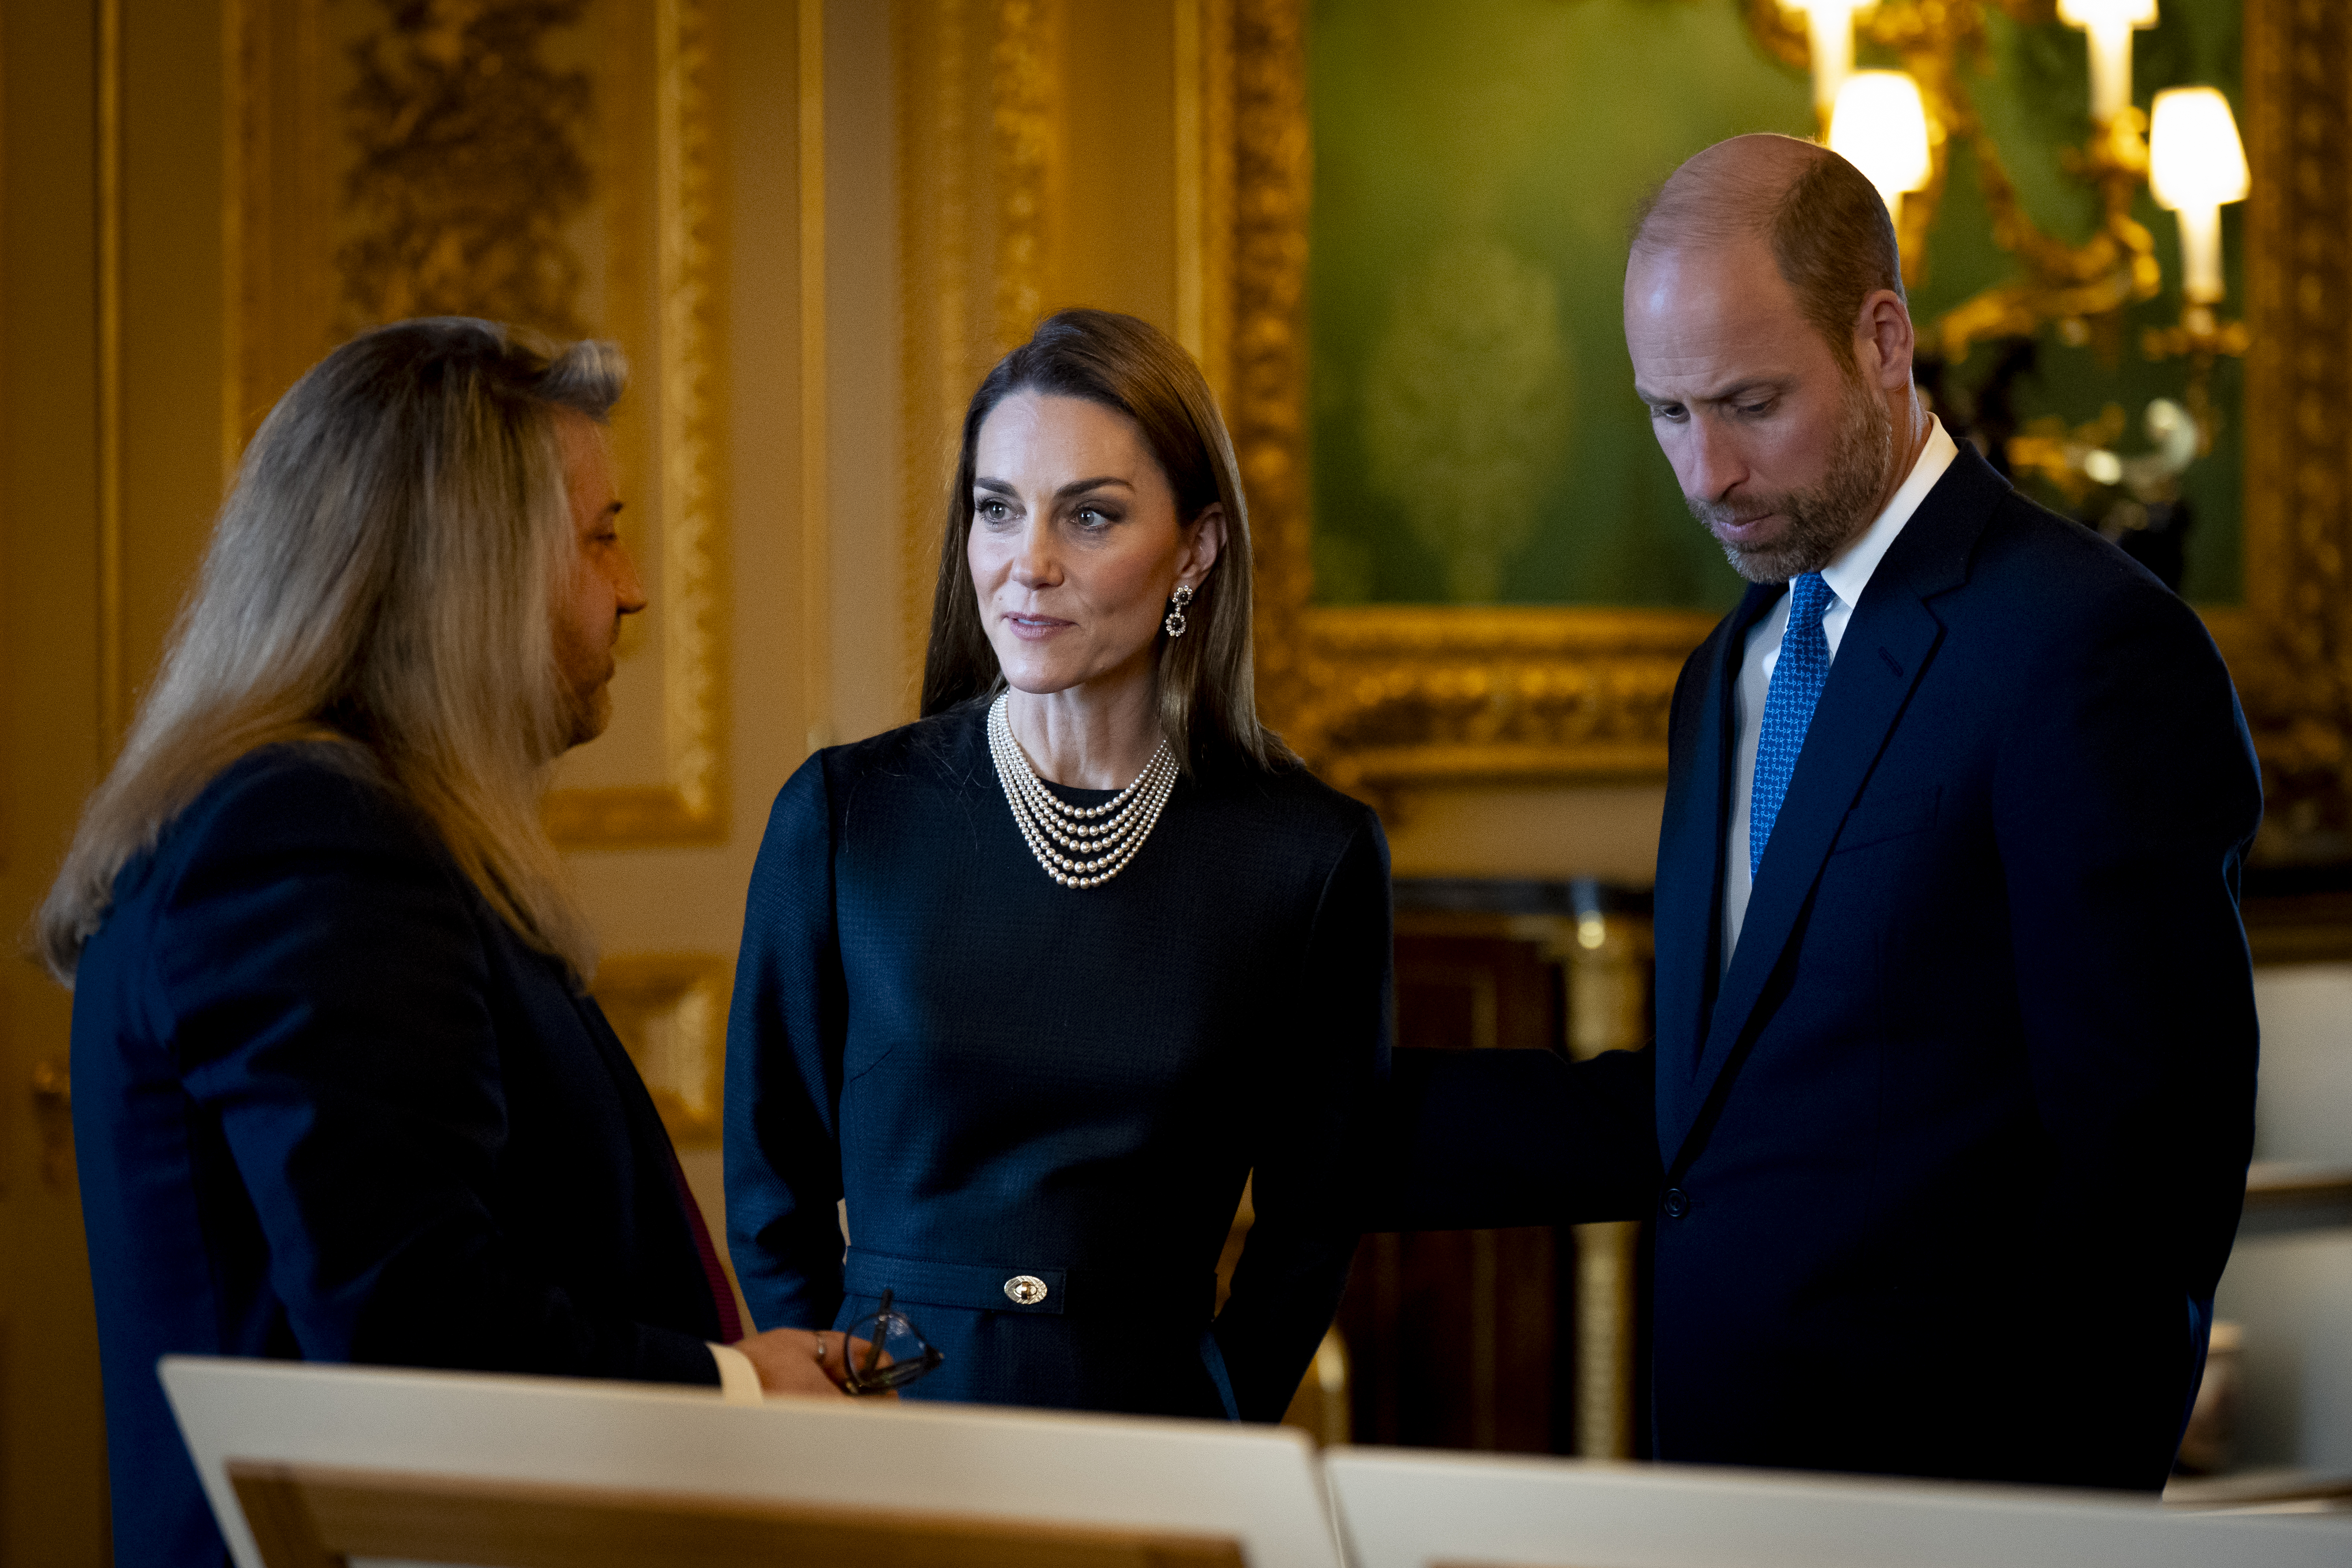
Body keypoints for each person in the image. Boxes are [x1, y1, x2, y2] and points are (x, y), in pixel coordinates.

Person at [1374, 136, 2262, 1489]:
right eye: (1667, 414)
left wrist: (2054, 1529)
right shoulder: (1722, 671)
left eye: (1748, 403)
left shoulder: (2084, 646)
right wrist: (1297, 1115)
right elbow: (1715, 1108)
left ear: (1883, 339)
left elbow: (2153, 1170)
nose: (1704, 473)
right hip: (1724, 1489)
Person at [40, 318, 857, 1568]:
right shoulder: (306, 833)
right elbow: (412, 1325)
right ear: (466, 571)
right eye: (600, 537)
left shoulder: (331, 820)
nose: (633, 588)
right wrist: (741, 1390)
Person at [726, 308, 1391, 1422]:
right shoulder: (846, 815)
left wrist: (1214, 1419)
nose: (1027, 564)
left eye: (1089, 517)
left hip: (1153, 1429)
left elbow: (1312, 1219)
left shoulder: (1305, 852)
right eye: (997, 511)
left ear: (1195, 548)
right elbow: (769, 1184)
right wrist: (849, 1398)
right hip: (886, 1424)